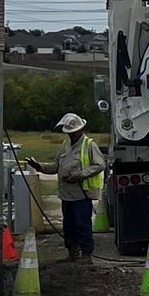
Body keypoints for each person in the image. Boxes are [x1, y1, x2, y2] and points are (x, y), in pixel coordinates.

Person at [54, 111, 104, 261]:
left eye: (74, 132)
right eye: (70, 133)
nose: (72, 135)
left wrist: (80, 175)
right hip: (66, 195)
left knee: (82, 225)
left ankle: (86, 254)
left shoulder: (89, 145)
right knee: (69, 226)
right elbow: (56, 166)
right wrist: (39, 167)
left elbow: (100, 165)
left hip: (81, 195)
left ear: (80, 130)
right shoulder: (66, 145)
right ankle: (72, 252)